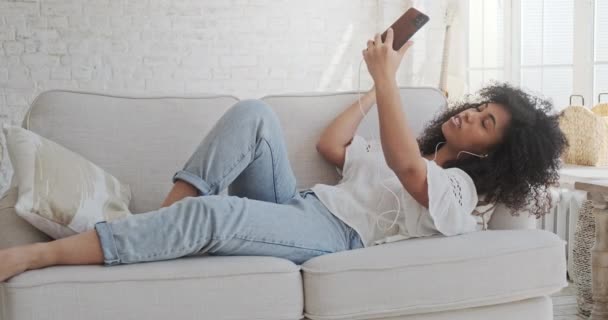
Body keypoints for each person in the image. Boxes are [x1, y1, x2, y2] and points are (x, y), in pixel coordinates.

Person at [0, 28, 567, 282]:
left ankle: (32, 259)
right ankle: (159, 221)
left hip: (334, 237)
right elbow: (331, 146)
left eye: (486, 122)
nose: (471, 114)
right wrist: (374, 85)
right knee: (254, 114)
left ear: (495, 152)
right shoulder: (416, 149)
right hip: (302, 204)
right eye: (480, 106)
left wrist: (388, 81)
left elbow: (406, 169)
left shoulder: (461, 193)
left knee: (215, 214)